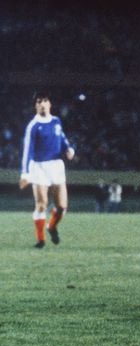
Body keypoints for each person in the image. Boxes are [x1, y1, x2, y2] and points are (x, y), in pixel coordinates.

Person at [19, 92, 75, 249]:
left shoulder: (56, 121)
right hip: (39, 167)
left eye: (45, 101)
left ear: (50, 104)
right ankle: (40, 239)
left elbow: (62, 138)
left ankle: (51, 227)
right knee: (42, 204)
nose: (42, 104)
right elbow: (27, 151)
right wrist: (25, 173)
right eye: (39, 102)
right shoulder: (33, 126)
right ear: (35, 106)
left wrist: (69, 149)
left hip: (56, 166)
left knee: (62, 206)